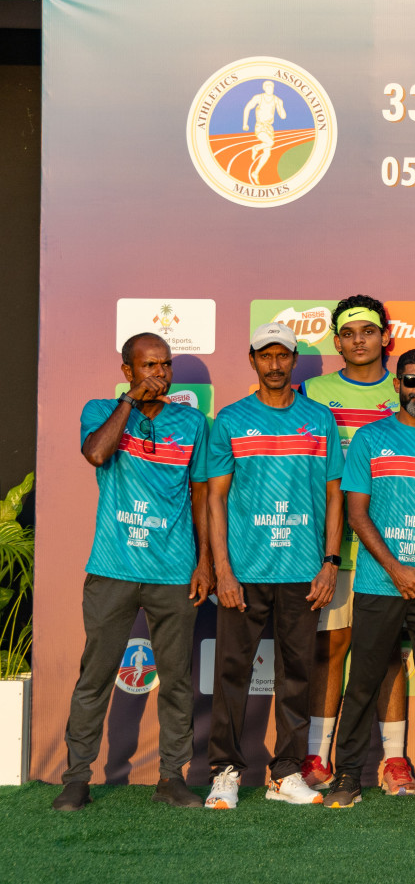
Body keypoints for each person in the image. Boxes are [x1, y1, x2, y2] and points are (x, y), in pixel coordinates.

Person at [54, 333, 213, 812]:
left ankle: (171, 776)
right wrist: (128, 403)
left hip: (173, 571)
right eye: (148, 367)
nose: (159, 375)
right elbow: (97, 454)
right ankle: (77, 778)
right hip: (113, 567)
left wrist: (204, 561)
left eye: (165, 366)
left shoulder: (192, 423)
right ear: (128, 370)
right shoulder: (101, 409)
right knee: (95, 676)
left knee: (178, 679)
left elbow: (203, 494)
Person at [324, 349, 415, 808]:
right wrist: (396, 569)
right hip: (378, 581)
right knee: (364, 680)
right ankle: (347, 775)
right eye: (413, 381)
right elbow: (356, 513)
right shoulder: (370, 439)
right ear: (398, 384)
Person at [204, 323, 344, 809]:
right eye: (266, 356)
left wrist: (329, 563)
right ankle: (223, 770)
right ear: (252, 360)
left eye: (283, 355)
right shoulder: (230, 419)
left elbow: (333, 495)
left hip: (303, 571)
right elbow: (216, 499)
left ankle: (285, 772)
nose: (276, 365)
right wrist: (223, 568)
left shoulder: (319, 419)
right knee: (232, 673)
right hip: (244, 572)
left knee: (297, 675)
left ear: (294, 359)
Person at [298, 296, 415, 795]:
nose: (360, 340)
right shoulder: (314, 391)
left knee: (388, 651)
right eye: (350, 332)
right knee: (332, 648)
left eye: (370, 331)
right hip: (331, 544)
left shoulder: (406, 387)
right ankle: (317, 757)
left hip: (391, 545)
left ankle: (394, 761)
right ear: (336, 340)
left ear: (385, 337)